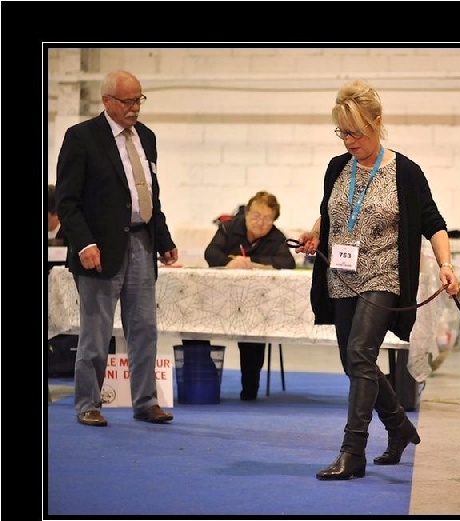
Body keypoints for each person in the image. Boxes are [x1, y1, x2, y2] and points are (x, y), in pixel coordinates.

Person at [295, 79, 460, 481]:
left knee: (359, 352)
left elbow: (434, 225)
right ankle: (399, 426)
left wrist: (446, 264)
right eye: (342, 132)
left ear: (377, 122)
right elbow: (333, 212)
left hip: (383, 276)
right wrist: (316, 231)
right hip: (341, 277)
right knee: (356, 362)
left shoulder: (406, 172)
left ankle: (353, 451)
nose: (348, 140)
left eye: (355, 131)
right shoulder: (337, 167)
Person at [55, 69, 179, 426]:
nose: (135, 108)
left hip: (142, 242)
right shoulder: (81, 138)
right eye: (127, 101)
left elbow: (150, 194)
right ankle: (88, 404)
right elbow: (67, 201)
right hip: (99, 249)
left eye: (139, 99)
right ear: (107, 101)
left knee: (144, 329)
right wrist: (84, 243)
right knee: (96, 332)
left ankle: (145, 401)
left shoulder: (147, 138)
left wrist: (164, 238)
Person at [203, 190, 297, 400]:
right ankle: (203, 382)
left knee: (253, 332)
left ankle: (250, 389)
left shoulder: (276, 237)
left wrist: (252, 264)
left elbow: (287, 263)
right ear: (246, 213)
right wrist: (230, 263)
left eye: (267, 219)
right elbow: (210, 253)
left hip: (255, 304)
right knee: (196, 327)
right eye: (255, 216)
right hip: (221, 299)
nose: (260, 222)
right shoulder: (228, 228)